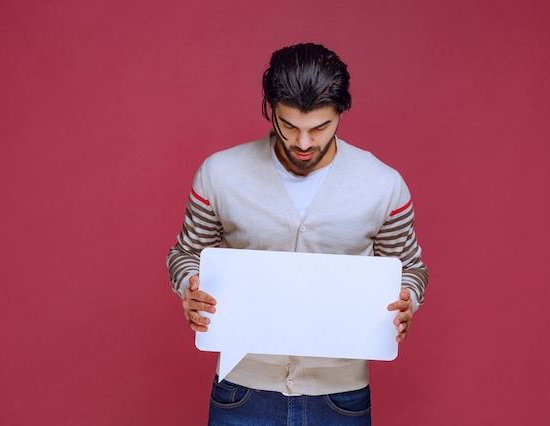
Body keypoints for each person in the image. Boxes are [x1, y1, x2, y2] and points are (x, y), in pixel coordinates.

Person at [166, 42, 428, 425]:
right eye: (289, 126)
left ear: (341, 112)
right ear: (271, 110)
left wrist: (408, 301)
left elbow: (410, 269)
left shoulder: (383, 186)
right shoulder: (220, 174)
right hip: (241, 391)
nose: (303, 143)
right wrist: (191, 287)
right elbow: (186, 253)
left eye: (319, 128)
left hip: (340, 398)